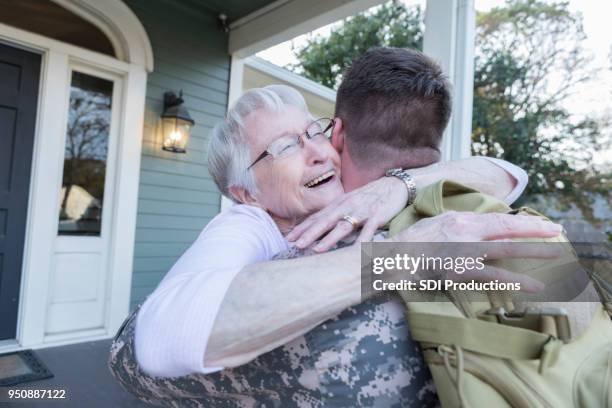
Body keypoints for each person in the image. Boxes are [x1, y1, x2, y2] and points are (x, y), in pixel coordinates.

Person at [110, 48, 562, 406]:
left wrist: (397, 186)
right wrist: (403, 257)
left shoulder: (356, 196)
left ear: (337, 136)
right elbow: (157, 340)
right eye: (286, 146)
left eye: (315, 131)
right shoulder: (248, 224)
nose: (317, 152)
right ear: (246, 192)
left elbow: (507, 174)